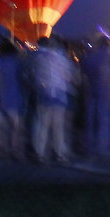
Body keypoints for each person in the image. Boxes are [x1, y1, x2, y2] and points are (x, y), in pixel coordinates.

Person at [31, 36, 77, 164]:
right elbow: (69, 77)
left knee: (43, 125)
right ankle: (60, 154)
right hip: (59, 95)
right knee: (58, 126)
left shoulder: (40, 59)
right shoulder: (63, 61)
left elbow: (36, 77)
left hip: (44, 95)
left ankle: (40, 153)